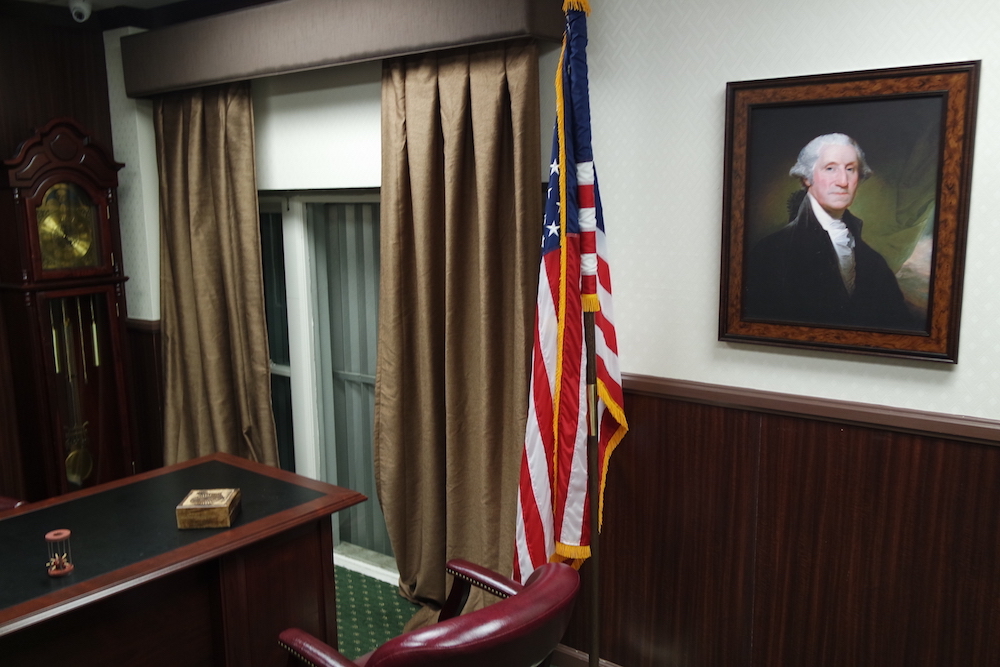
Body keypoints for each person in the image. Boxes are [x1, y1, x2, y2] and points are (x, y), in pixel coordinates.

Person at [743, 133, 921, 331]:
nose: (843, 181)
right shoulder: (770, 251)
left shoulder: (873, 262)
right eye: (830, 169)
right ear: (806, 178)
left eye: (851, 169)